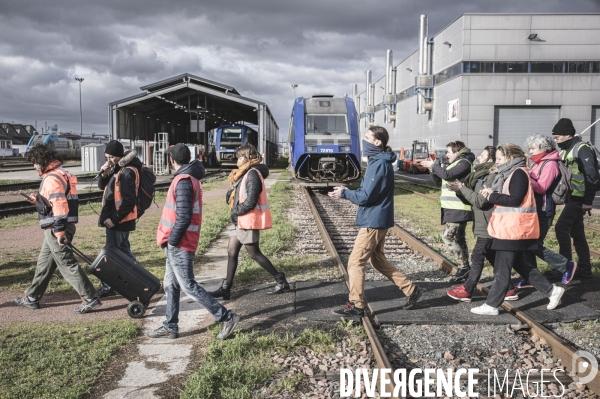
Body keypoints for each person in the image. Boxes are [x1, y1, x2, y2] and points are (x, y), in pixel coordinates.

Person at [148, 143, 239, 340]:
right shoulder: (189, 179)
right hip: (177, 241)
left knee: (188, 285)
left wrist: (172, 240)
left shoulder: (183, 181)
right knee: (170, 285)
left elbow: (184, 216)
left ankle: (226, 317)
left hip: (179, 242)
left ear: (172, 159)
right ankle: (170, 325)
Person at [329, 126, 422, 317]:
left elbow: (366, 196)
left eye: (366, 138)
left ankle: (357, 305)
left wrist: (344, 193)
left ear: (377, 142)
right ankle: (411, 290)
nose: (363, 141)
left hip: (373, 220)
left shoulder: (378, 164)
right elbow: (369, 190)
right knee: (378, 260)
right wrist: (348, 189)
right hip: (378, 217)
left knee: (355, 262)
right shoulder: (378, 162)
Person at [474, 143, 564, 315]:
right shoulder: (512, 173)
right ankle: (552, 291)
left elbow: (514, 200)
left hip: (512, 230)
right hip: (508, 229)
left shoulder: (519, 174)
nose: (497, 162)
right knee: (522, 266)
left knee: (502, 269)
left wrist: (492, 195)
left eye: (500, 158)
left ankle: (492, 305)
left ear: (510, 158)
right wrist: (492, 193)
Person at [14, 144, 101, 313]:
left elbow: (60, 205)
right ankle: (32, 297)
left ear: (41, 160)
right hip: (60, 226)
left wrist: (59, 232)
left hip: (57, 228)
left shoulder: (52, 178)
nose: (33, 166)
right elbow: (58, 200)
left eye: (34, 162)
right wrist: (38, 200)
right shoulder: (62, 173)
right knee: (44, 264)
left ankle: (90, 298)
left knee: (67, 263)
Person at [209, 144, 289, 300]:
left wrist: (236, 212)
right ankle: (226, 288)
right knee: (232, 251)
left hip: (247, 220)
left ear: (248, 157)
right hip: (240, 220)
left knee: (254, 254)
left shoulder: (252, 174)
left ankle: (281, 281)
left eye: (240, 157)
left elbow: (251, 201)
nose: (237, 160)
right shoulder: (246, 172)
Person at [445, 146, 518, 302]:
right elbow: (473, 200)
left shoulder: (491, 176)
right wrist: (460, 191)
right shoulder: (481, 175)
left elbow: (480, 201)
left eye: (483, 155)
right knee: (491, 256)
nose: (478, 157)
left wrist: (463, 189)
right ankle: (509, 288)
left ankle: (467, 289)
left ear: (490, 160)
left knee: (478, 255)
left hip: (489, 224)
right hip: (484, 223)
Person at [517, 134, 577, 287]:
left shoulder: (550, 164)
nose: (530, 151)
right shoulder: (538, 163)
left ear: (544, 148)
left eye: (533, 148)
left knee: (533, 244)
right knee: (527, 244)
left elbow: (542, 187)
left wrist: (525, 177)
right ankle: (532, 277)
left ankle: (566, 265)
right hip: (533, 209)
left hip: (543, 210)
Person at [93, 140, 142, 298]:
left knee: (112, 255)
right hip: (119, 220)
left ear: (120, 155)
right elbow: (102, 186)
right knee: (124, 252)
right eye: (107, 157)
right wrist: (104, 173)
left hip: (119, 221)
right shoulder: (117, 168)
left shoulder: (126, 171)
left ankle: (110, 285)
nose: (109, 160)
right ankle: (141, 280)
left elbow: (129, 201)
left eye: (112, 157)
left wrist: (113, 219)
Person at [422, 141, 475, 282]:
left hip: (458, 208)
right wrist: (432, 169)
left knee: (447, 237)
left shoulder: (464, 162)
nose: (446, 155)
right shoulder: (455, 163)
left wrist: (434, 165)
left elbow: (447, 174)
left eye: (449, 152)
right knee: (458, 238)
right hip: (453, 208)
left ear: (457, 152)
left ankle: (463, 267)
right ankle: (465, 268)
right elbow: (440, 181)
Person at [552, 118, 596, 279]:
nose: (555, 140)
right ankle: (585, 269)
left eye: (557, 137)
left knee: (561, 227)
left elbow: (591, 176)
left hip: (579, 198)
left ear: (567, 135)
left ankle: (565, 266)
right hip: (572, 198)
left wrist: (588, 201)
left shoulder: (581, 149)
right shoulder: (565, 150)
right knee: (577, 234)